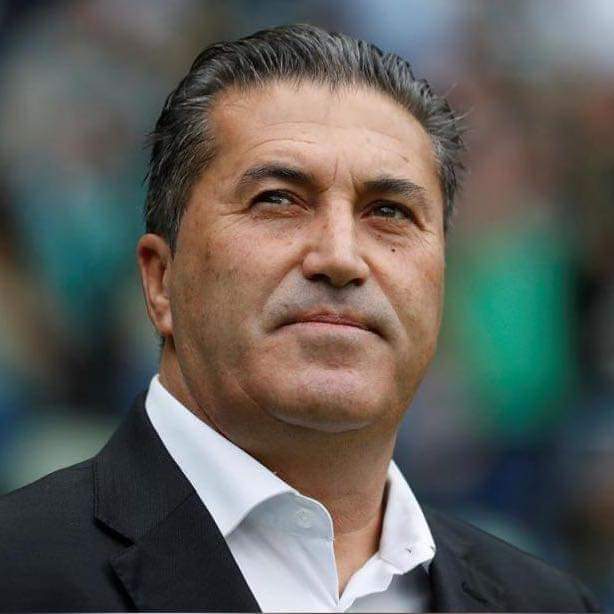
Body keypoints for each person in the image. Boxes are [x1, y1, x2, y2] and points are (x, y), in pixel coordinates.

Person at [0, 24, 600, 613]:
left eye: (390, 211)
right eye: (278, 200)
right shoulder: (18, 573)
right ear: (161, 282)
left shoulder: (547, 605)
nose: (340, 257)